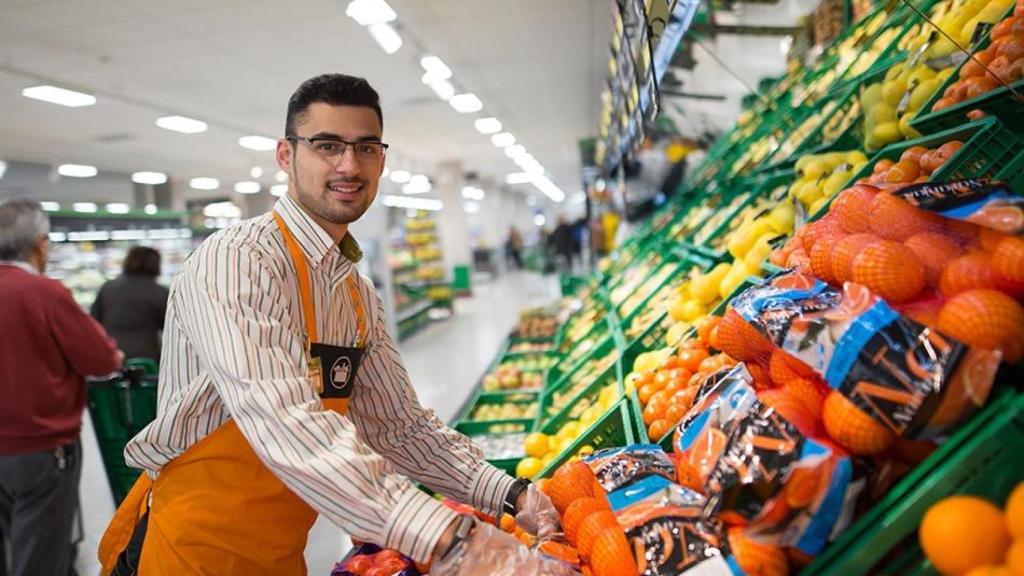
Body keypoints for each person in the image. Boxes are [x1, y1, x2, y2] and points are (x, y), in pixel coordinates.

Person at [99, 74, 564, 576]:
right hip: (188, 553)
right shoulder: (236, 261)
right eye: (327, 146)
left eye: (365, 148)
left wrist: (512, 493)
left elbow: (401, 429)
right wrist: (451, 538)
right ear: (285, 155)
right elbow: (284, 420)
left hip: (280, 556)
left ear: (382, 160)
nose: (348, 165)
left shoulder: (357, 296)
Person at [0, 199, 123, 576]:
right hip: (42, 447)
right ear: (40, 243)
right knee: (41, 552)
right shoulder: (43, 293)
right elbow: (100, 360)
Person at [91, 246, 170, 363]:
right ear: (156, 265)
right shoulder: (159, 292)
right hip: (146, 356)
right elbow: (169, 327)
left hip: (111, 353)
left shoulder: (108, 287)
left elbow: (94, 321)